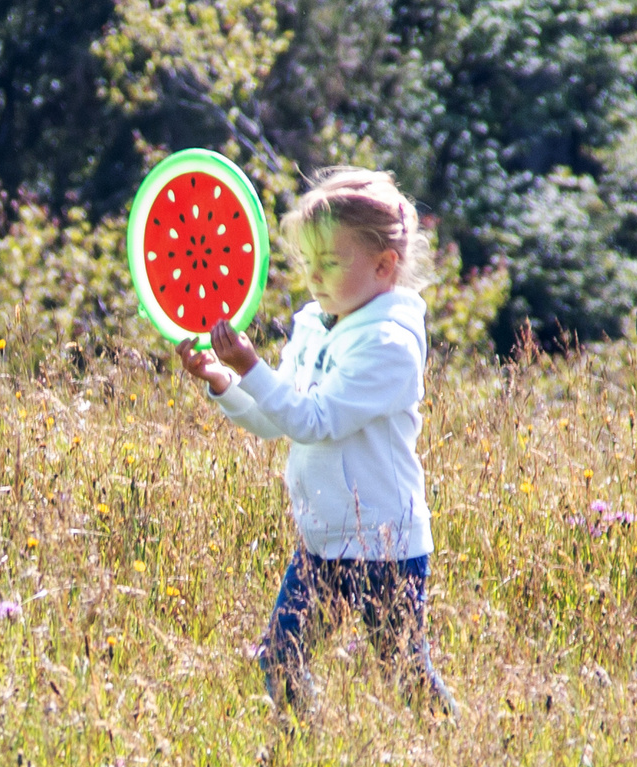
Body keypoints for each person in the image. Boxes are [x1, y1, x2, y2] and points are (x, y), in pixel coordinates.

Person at [176, 167, 458, 721]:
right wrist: (224, 381)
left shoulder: (390, 347)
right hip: (323, 540)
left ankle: (458, 756)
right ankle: (298, 761)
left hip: (386, 547)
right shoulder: (313, 324)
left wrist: (252, 365)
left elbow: (313, 420)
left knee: (405, 673)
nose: (314, 276)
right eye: (308, 261)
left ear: (384, 266)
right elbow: (276, 419)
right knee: (280, 658)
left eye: (331, 262)